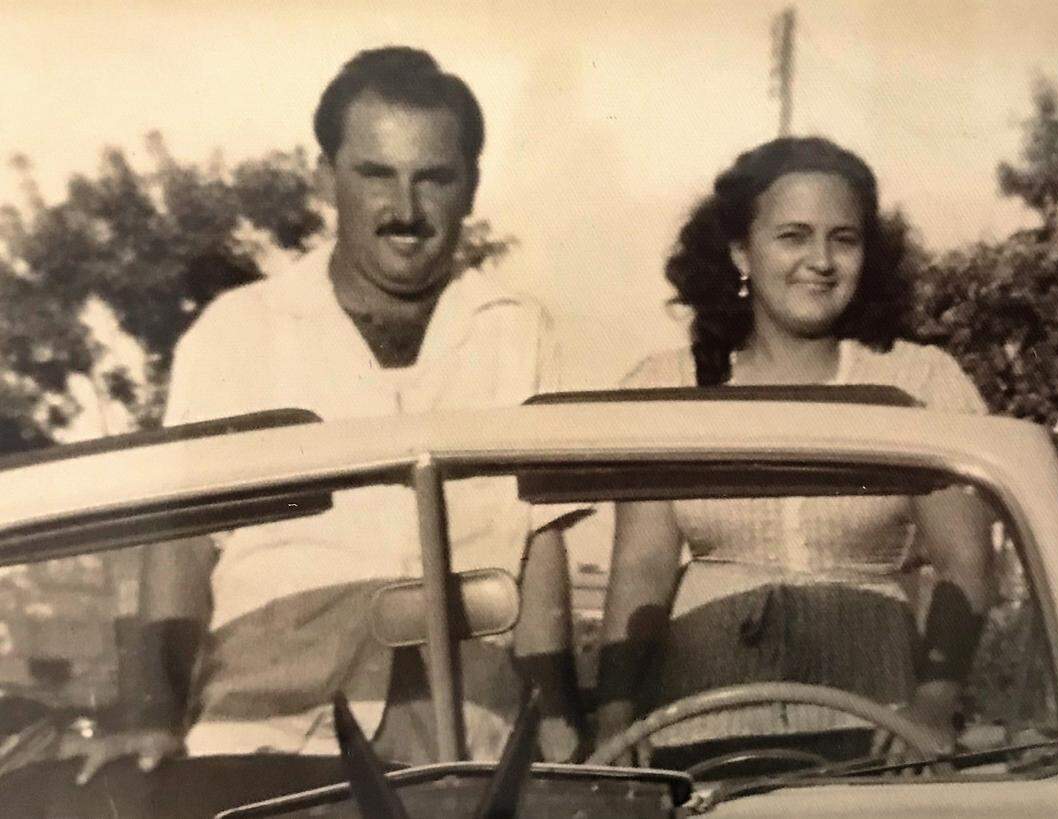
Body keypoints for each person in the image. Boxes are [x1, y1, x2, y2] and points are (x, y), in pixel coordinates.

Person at [66, 46, 581, 784]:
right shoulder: (237, 329)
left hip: (462, 747)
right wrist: (149, 712)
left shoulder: (520, 329)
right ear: (325, 179)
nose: (405, 210)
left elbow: (544, 548)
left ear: (470, 187)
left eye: (433, 178)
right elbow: (181, 544)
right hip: (265, 735)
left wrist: (558, 717)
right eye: (375, 175)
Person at [593, 136, 995, 768]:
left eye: (845, 239)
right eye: (793, 236)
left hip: (877, 735)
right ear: (739, 253)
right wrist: (616, 718)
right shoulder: (665, 385)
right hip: (700, 731)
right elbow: (642, 567)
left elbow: (965, 563)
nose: (822, 261)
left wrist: (932, 709)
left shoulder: (918, 382)